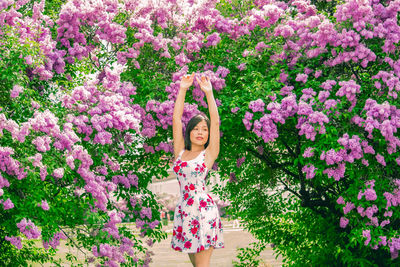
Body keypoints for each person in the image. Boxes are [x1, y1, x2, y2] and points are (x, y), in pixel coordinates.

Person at [170, 73, 224, 267]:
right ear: (189, 132)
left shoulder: (208, 154)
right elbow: (176, 119)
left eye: (204, 129)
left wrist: (209, 93)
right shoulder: (180, 153)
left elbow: (216, 122)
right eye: (196, 129)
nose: (200, 132)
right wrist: (182, 89)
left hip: (203, 212)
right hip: (185, 211)